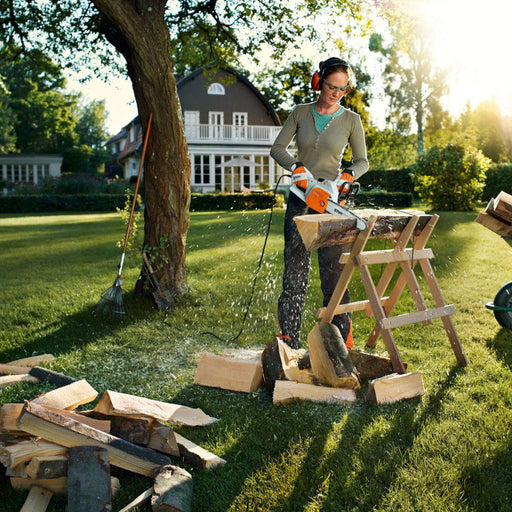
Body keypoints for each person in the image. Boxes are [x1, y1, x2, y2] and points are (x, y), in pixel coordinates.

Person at [270, 57, 369, 350]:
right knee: (295, 269)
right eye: (331, 86)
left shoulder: (352, 120)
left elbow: (363, 160)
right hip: (300, 198)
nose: (336, 93)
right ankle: (289, 337)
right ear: (318, 82)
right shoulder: (300, 113)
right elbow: (277, 148)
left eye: (342, 88)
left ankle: (341, 339)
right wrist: (297, 168)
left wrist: (349, 174)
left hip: (332, 199)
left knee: (333, 272)